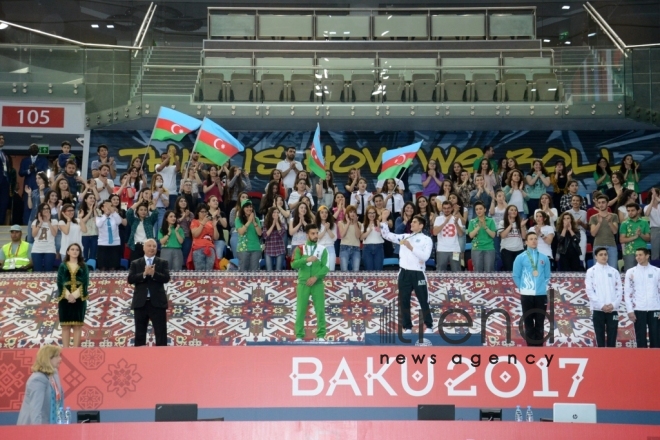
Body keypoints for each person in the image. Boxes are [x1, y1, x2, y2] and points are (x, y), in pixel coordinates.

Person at [380, 209, 434, 334]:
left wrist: (411, 247)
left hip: (418, 273)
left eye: (415, 222)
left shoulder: (427, 239)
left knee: (423, 300)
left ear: (421, 225)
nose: (412, 224)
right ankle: (407, 327)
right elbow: (387, 235)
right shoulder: (404, 236)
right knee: (404, 300)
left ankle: (429, 326)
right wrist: (383, 220)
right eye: (412, 222)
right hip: (404, 273)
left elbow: (425, 257)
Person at [127, 239, 170, 346]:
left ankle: (162, 359)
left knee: (161, 334)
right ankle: (139, 360)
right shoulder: (135, 263)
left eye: (154, 246)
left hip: (157, 303)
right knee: (140, 334)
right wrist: (144, 274)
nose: (152, 248)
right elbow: (130, 279)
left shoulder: (162, 263)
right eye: (149, 246)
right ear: (144, 248)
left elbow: (166, 278)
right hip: (141, 303)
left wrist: (154, 274)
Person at [512, 232, 552, 346]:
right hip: (526, 295)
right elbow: (516, 275)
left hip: (541, 295)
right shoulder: (520, 257)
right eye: (531, 239)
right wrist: (523, 287)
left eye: (535, 238)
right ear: (526, 242)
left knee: (540, 322)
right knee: (528, 322)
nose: (534, 241)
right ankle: (530, 349)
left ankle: (539, 348)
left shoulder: (544, 258)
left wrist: (541, 287)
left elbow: (547, 276)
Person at [292, 224, 329, 341]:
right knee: (301, 309)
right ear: (307, 235)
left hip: (317, 283)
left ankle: (321, 335)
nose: (315, 236)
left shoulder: (322, 249)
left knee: (320, 309)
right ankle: (299, 336)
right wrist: (306, 259)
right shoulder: (299, 248)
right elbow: (293, 264)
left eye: (317, 233)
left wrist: (316, 277)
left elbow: (326, 267)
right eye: (313, 233)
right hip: (303, 283)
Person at [16, 345, 64, 425]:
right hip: (33, 429)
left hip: (50, 426)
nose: (60, 359)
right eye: (57, 356)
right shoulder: (37, 380)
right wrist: (38, 432)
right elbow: (35, 410)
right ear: (48, 359)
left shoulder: (54, 374)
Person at [585, 247, 622, 347]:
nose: (604, 256)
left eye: (605, 254)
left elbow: (619, 290)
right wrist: (601, 305)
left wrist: (613, 305)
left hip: (612, 309)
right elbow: (589, 291)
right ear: (596, 257)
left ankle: (612, 360)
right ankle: (600, 360)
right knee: (599, 338)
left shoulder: (614, 271)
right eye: (601, 255)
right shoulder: (591, 271)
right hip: (598, 310)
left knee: (612, 337)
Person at [624, 247, 660, 348]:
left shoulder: (657, 271)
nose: (638, 257)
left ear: (647, 256)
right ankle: (642, 362)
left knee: (656, 338)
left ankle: (656, 361)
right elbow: (627, 293)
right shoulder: (631, 272)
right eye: (636, 255)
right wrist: (630, 310)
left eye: (640, 255)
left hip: (655, 308)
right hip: (639, 309)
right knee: (640, 339)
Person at [56, 243, 89, 347]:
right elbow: (59, 282)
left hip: (79, 299)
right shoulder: (62, 266)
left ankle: (75, 352)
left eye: (77, 250)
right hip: (64, 299)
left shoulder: (84, 266)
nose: (75, 251)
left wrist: (74, 296)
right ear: (68, 252)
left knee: (77, 326)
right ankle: (65, 351)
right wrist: (68, 296)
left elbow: (85, 282)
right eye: (72, 249)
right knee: (65, 326)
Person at [19, 143, 50, 223]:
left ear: (38, 150)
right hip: (28, 185)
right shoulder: (25, 160)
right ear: (29, 150)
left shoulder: (43, 159)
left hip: (39, 185)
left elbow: (45, 170)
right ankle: (26, 222)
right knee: (27, 204)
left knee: (39, 204)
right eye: (32, 148)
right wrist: (29, 170)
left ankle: (39, 221)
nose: (34, 150)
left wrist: (36, 169)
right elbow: (21, 173)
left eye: (35, 148)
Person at [589, 194, 619, 269]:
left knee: (613, 269)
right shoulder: (593, 218)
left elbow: (615, 231)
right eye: (599, 203)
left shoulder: (614, 216)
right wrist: (599, 223)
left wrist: (609, 222)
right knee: (598, 270)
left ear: (607, 203)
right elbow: (593, 233)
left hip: (611, 245)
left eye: (603, 202)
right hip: (598, 245)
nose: (601, 204)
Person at [433, 200, 464, 272]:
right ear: (442, 209)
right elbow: (435, 232)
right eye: (444, 208)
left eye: (448, 208)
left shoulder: (456, 218)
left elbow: (461, 234)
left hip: (455, 249)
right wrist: (445, 222)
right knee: (440, 271)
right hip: (442, 249)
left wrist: (456, 223)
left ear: (451, 208)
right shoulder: (438, 219)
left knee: (456, 271)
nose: (446, 210)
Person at [620, 203, 651, 272]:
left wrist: (640, 234)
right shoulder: (624, 223)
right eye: (628, 211)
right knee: (630, 274)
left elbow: (648, 238)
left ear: (638, 211)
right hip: (629, 253)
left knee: (645, 273)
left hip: (643, 252)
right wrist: (635, 236)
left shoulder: (644, 222)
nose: (630, 213)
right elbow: (622, 240)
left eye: (632, 210)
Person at [95, 200, 124, 270]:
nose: (108, 207)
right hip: (103, 243)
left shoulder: (115, 216)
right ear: (102, 208)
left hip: (115, 243)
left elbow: (119, 221)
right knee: (103, 266)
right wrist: (105, 215)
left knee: (114, 266)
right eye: (106, 206)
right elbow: (98, 224)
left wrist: (113, 212)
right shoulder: (99, 217)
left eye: (110, 206)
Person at [235, 199, 262, 271]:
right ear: (243, 209)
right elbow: (241, 232)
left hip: (255, 248)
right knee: (243, 271)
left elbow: (259, 233)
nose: (249, 209)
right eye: (247, 207)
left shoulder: (256, 219)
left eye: (250, 207)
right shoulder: (238, 219)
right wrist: (249, 221)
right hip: (243, 249)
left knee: (254, 272)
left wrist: (254, 222)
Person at [189, 203, 218, 271]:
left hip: (210, 248)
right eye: (202, 212)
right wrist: (203, 223)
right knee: (199, 271)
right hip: (198, 248)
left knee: (209, 271)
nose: (204, 213)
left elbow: (216, 237)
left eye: (205, 212)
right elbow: (195, 234)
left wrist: (214, 226)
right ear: (198, 213)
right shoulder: (194, 222)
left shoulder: (210, 223)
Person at [498, 205, 527, 271]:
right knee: (509, 271)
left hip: (519, 249)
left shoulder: (520, 223)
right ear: (507, 212)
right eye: (511, 210)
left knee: (519, 271)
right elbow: (503, 236)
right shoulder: (502, 222)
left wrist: (522, 226)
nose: (514, 211)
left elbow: (524, 237)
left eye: (515, 210)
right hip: (506, 250)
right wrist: (510, 225)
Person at [31, 204, 59, 272]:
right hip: (37, 249)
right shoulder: (35, 222)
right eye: (44, 209)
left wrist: (48, 221)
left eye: (47, 208)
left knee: (48, 271)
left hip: (50, 249)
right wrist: (40, 223)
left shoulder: (54, 221)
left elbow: (54, 234)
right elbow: (34, 235)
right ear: (40, 210)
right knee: (37, 271)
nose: (46, 210)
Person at [263, 206, 287, 271]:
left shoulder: (282, 224)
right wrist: (273, 224)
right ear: (271, 213)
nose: (276, 214)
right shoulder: (266, 224)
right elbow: (265, 236)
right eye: (274, 212)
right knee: (269, 270)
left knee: (278, 270)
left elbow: (281, 234)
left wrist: (276, 223)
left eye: (277, 212)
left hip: (280, 249)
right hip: (269, 249)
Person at [361, 206, 385, 271]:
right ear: (367, 214)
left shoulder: (380, 223)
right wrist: (369, 230)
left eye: (373, 213)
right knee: (369, 270)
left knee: (378, 270)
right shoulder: (363, 225)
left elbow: (385, 235)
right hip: (367, 248)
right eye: (370, 213)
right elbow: (361, 237)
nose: (372, 215)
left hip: (379, 248)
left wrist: (380, 227)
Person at [316, 205, 337, 271]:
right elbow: (317, 238)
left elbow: (334, 238)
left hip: (330, 247)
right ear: (319, 214)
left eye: (326, 212)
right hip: (319, 248)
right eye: (322, 212)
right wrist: (325, 230)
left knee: (331, 268)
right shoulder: (316, 225)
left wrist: (328, 229)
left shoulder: (333, 224)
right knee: (319, 270)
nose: (324, 214)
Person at [644, 188, 660, 260]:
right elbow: (647, 214)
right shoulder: (647, 207)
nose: (655, 197)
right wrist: (652, 200)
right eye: (653, 195)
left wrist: (656, 197)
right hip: (654, 229)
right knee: (655, 250)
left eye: (657, 195)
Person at [0, 133, 10, 225]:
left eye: (3, 139)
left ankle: (1, 222)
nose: (2, 140)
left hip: (4, 182)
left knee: (3, 203)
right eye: (0, 138)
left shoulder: (3, 154)